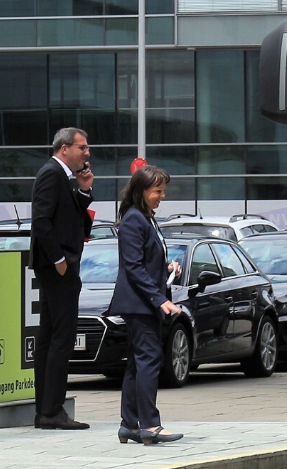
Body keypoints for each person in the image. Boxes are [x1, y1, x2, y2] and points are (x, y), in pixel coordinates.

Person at [110, 165, 186, 446]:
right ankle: (150, 425)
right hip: (140, 304)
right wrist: (160, 299)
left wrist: (166, 267)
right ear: (142, 191)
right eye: (158, 190)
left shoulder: (145, 218)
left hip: (144, 302)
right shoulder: (134, 219)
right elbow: (132, 266)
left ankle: (130, 424)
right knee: (149, 361)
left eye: (163, 190)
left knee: (137, 363)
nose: (162, 195)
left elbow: (143, 262)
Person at [29, 127, 94, 430]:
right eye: (83, 147)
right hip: (57, 267)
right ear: (65, 148)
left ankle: (45, 410)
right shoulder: (51, 173)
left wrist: (83, 190)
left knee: (50, 336)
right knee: (61, 337)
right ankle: (52, 410)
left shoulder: (65, 177)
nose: (87, 153)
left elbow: (71, 218)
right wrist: (59, 260)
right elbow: (41, 220)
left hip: (60, 266)